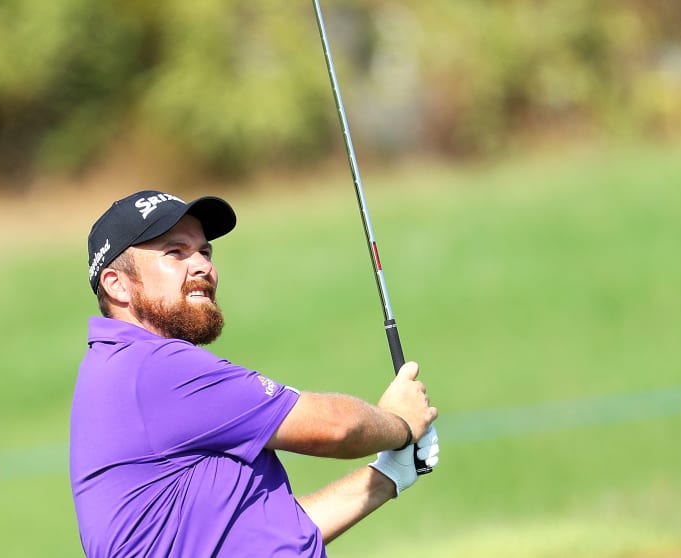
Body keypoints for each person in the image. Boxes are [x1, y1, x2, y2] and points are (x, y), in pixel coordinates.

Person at [70, 190, 439, 557]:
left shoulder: (125, 370)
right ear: (116, 284)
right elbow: (334, 428)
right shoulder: (154, 368)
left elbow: (267, 536)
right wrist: (400, 423)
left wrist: (388, 476)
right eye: (175, 252)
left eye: (204, 251)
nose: (202, 266)